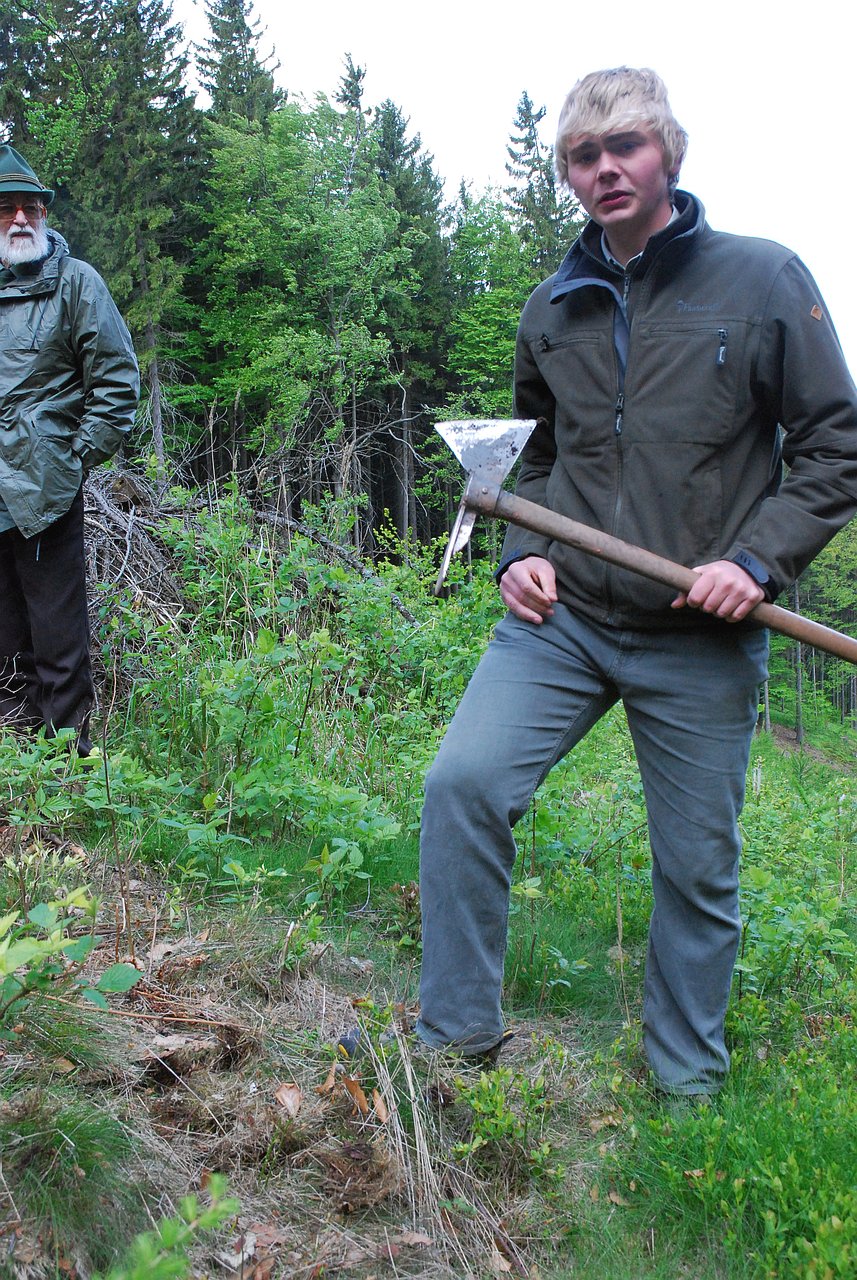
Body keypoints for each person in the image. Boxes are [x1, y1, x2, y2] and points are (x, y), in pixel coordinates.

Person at [417, 68, 857, 1095]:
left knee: (696, 867)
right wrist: (518, 551)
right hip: (562, 617)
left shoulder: (761, 281)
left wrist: (754, 561)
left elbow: (834, 446)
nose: (605, 168)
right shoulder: (551, 306)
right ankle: (453, 1039)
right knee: (462, 785)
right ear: (566, 174)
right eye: (583, 154)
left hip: (698, 631)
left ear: (668, 152)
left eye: (626, 145)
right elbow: (533, 457)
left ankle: (684, 1086)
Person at [0, 145, 139, 755]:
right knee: (4, 641)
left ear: (44, 215)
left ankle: (69, 764)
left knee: (58, 640)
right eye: (7, 208)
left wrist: (73, 456)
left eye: (30, 207)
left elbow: (117, 379)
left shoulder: (77, 283)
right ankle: (15, 762)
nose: (20, 218)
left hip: (46, 492)